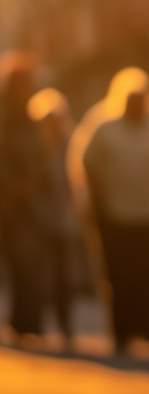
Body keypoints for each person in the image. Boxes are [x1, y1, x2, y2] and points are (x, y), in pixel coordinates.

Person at [81, 71, 149, 355]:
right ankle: (121, 331)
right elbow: (87, 164)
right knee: (119, 276)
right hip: (114, 215)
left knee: (148, 274)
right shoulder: (105, 128)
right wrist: (97, 198)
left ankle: (145, 325)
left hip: (146, 214)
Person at [28, 88, 77, 350]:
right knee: (37, 276)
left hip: (62, 223)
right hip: (37, 222)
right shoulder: (34, 151)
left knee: (63, 278)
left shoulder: (69, 147)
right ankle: (34, 325)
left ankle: (65, 326)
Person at [0, 51, 44, 345]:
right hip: (6, 201)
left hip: (25, 207)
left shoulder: (30, 119)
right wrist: (13, 185)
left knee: (28, 263)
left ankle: (25, 323)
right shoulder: (5, 118)